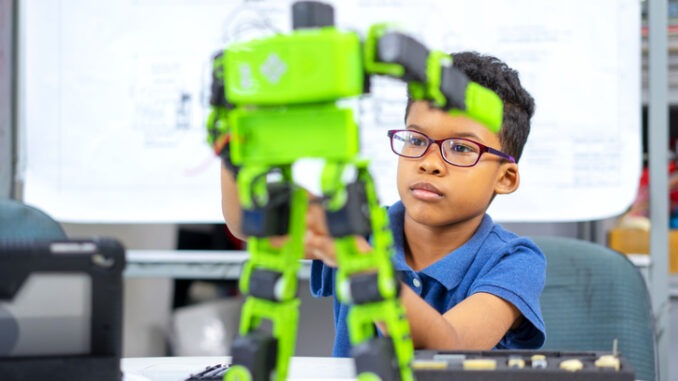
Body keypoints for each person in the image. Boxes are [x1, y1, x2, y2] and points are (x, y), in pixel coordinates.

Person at [219, 51, 546, 357]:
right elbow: (247, 222)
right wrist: (240, 132)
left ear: (505, 178)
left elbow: (449, 346)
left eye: (461, 148)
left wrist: (359, 260)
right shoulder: (364, 224)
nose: (429, 163)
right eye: (417, 140)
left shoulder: (515, 262)